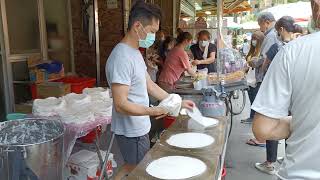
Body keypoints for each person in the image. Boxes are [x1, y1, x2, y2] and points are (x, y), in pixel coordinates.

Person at [105, 2, 194, 179]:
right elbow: (121, 105)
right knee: (139, 170)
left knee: (132, 166)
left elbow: (150, 85)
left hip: (139, 126)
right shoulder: (121, 57)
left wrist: (175, 101)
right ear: (137, 26)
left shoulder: (135, 53)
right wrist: (154, 110)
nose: (154, 36)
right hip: (132, 130)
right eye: (152, 31)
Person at [252, 1, 320, 179]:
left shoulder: (292, 51)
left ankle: (270, 161)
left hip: (300, 173)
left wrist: (301, 121)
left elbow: (263, 129)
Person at [253, 16, 303, 175]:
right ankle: (289, 158)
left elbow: (265, 65)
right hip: (295, 96)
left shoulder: (277, 47)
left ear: (281, 29)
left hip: (276, 94)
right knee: (293, 126)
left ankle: (270, 163)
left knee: (271, 124)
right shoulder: (300, 46)